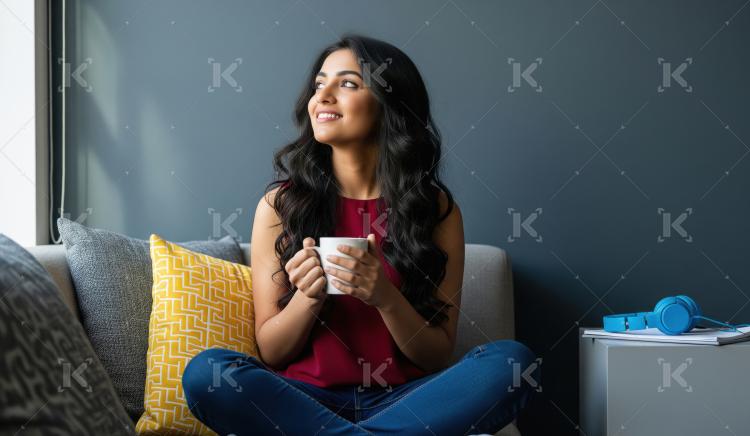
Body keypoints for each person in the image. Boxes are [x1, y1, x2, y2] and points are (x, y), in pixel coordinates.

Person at [182, 33, 538, 435]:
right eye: (319, 84)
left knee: (512, 364)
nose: (322, 96)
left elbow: (436, 355)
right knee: (208, 373)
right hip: (303, 402)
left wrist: (384, 295)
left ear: (390, 105)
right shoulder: (279, 206)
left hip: (405, 401)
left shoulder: (436, 210)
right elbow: (272, 352)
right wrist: (308, 297)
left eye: (348, 84)